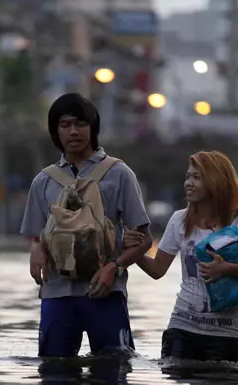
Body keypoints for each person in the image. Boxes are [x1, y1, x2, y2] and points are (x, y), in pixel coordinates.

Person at [20, 93, 152, 357]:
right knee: (54, 378)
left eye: (80, 124)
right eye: (65, 125)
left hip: (106, 291)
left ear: (93, 129)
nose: (73, 131)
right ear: (56, 132)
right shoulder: (43, 181)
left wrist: (114, 267)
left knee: (112, 375)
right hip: (57, 294)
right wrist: (37, 248)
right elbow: (35, 235)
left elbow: (145, 239)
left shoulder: (119, 174)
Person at [123, 151, 238, 363]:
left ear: (216, 182)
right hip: (182, 328)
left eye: (197, 177)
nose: (188, 183)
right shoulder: (179, 220)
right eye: (188, 177)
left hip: (227, 335)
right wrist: (135, 251)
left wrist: (227, 268)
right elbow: (157, 270)